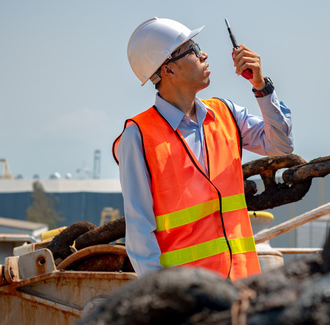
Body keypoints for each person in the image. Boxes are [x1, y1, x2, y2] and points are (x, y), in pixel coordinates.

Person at [112, 17, 293, 281]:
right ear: (168, 70)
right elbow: (140, 232)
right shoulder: (137, 136)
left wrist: (261, 86)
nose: (204, 54)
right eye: (193, 49)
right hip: (188, 299)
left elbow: (281, 145)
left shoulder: (226, 113)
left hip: (243, 286)